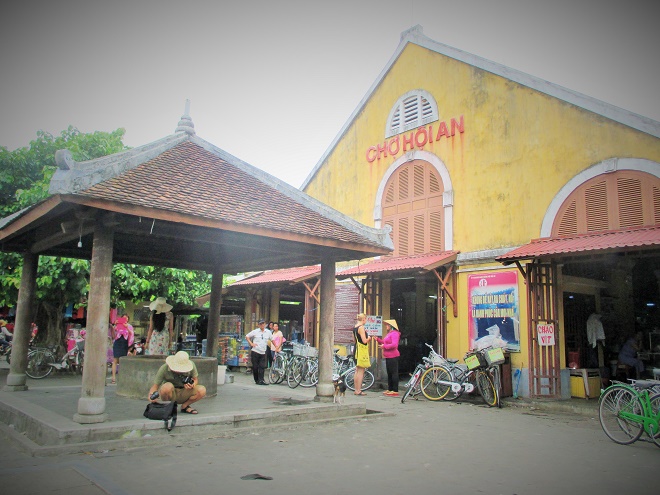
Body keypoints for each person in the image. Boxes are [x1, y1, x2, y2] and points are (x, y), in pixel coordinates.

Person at [148, 350, 206, 415]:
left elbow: (195, 379)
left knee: (202, 390)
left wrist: (192, 384)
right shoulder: (164, 368)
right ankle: (169, 406)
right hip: (171, 393)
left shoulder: (192, 365)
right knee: (167, 387)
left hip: (184, 391)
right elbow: (155, 386)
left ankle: (185, 406)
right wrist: (151, 395)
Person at [376, 319, 401, 397]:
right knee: (389, 373)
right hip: (388, 356)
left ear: (391, 326)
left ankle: (395, 390)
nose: (386, 326)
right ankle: (390, 389)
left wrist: (384, 346)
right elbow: (384, 342)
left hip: (393, 356)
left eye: (387, 325)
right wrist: (377, 339)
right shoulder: (390, 333)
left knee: (394, 373)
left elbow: (394, 345)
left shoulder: (395, 334)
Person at [246, 319, 272, 385]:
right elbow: (247, 336)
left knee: (262, 366)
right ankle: (256, 379)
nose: (262, 325)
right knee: (255, 367)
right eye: (260, 324)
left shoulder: (268, 332)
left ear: (265, 324)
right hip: (255, 351)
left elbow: (272, 339)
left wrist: (276, 347)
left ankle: (261, 380)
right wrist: (251, 343)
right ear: (258, 325)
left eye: (263, 323)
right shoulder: (255, 331)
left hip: (263, 352)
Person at [111, 315, 134, 384]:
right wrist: (115, 324)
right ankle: (113, 377)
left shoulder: (129, 326)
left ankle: (122, 377)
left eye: (126, 318)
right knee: (115, 360)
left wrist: (127, 327)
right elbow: (114, 332)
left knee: (122, 360)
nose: (125, 318)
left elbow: (132, 334)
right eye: (123, 317)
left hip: (125, 343)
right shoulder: (117, 325)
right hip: (117, 342)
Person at [353, 313, 371, 396]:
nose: (366, 321)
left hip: (356, 349)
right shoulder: (361, 328)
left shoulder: (355, 327)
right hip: (361, 350)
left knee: (357, 370)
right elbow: (364, 341)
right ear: (363, 319)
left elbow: (354, 339)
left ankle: (356, 389)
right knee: (361, 371)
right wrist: (369, 338)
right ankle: (358, 390)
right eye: (366, 319)